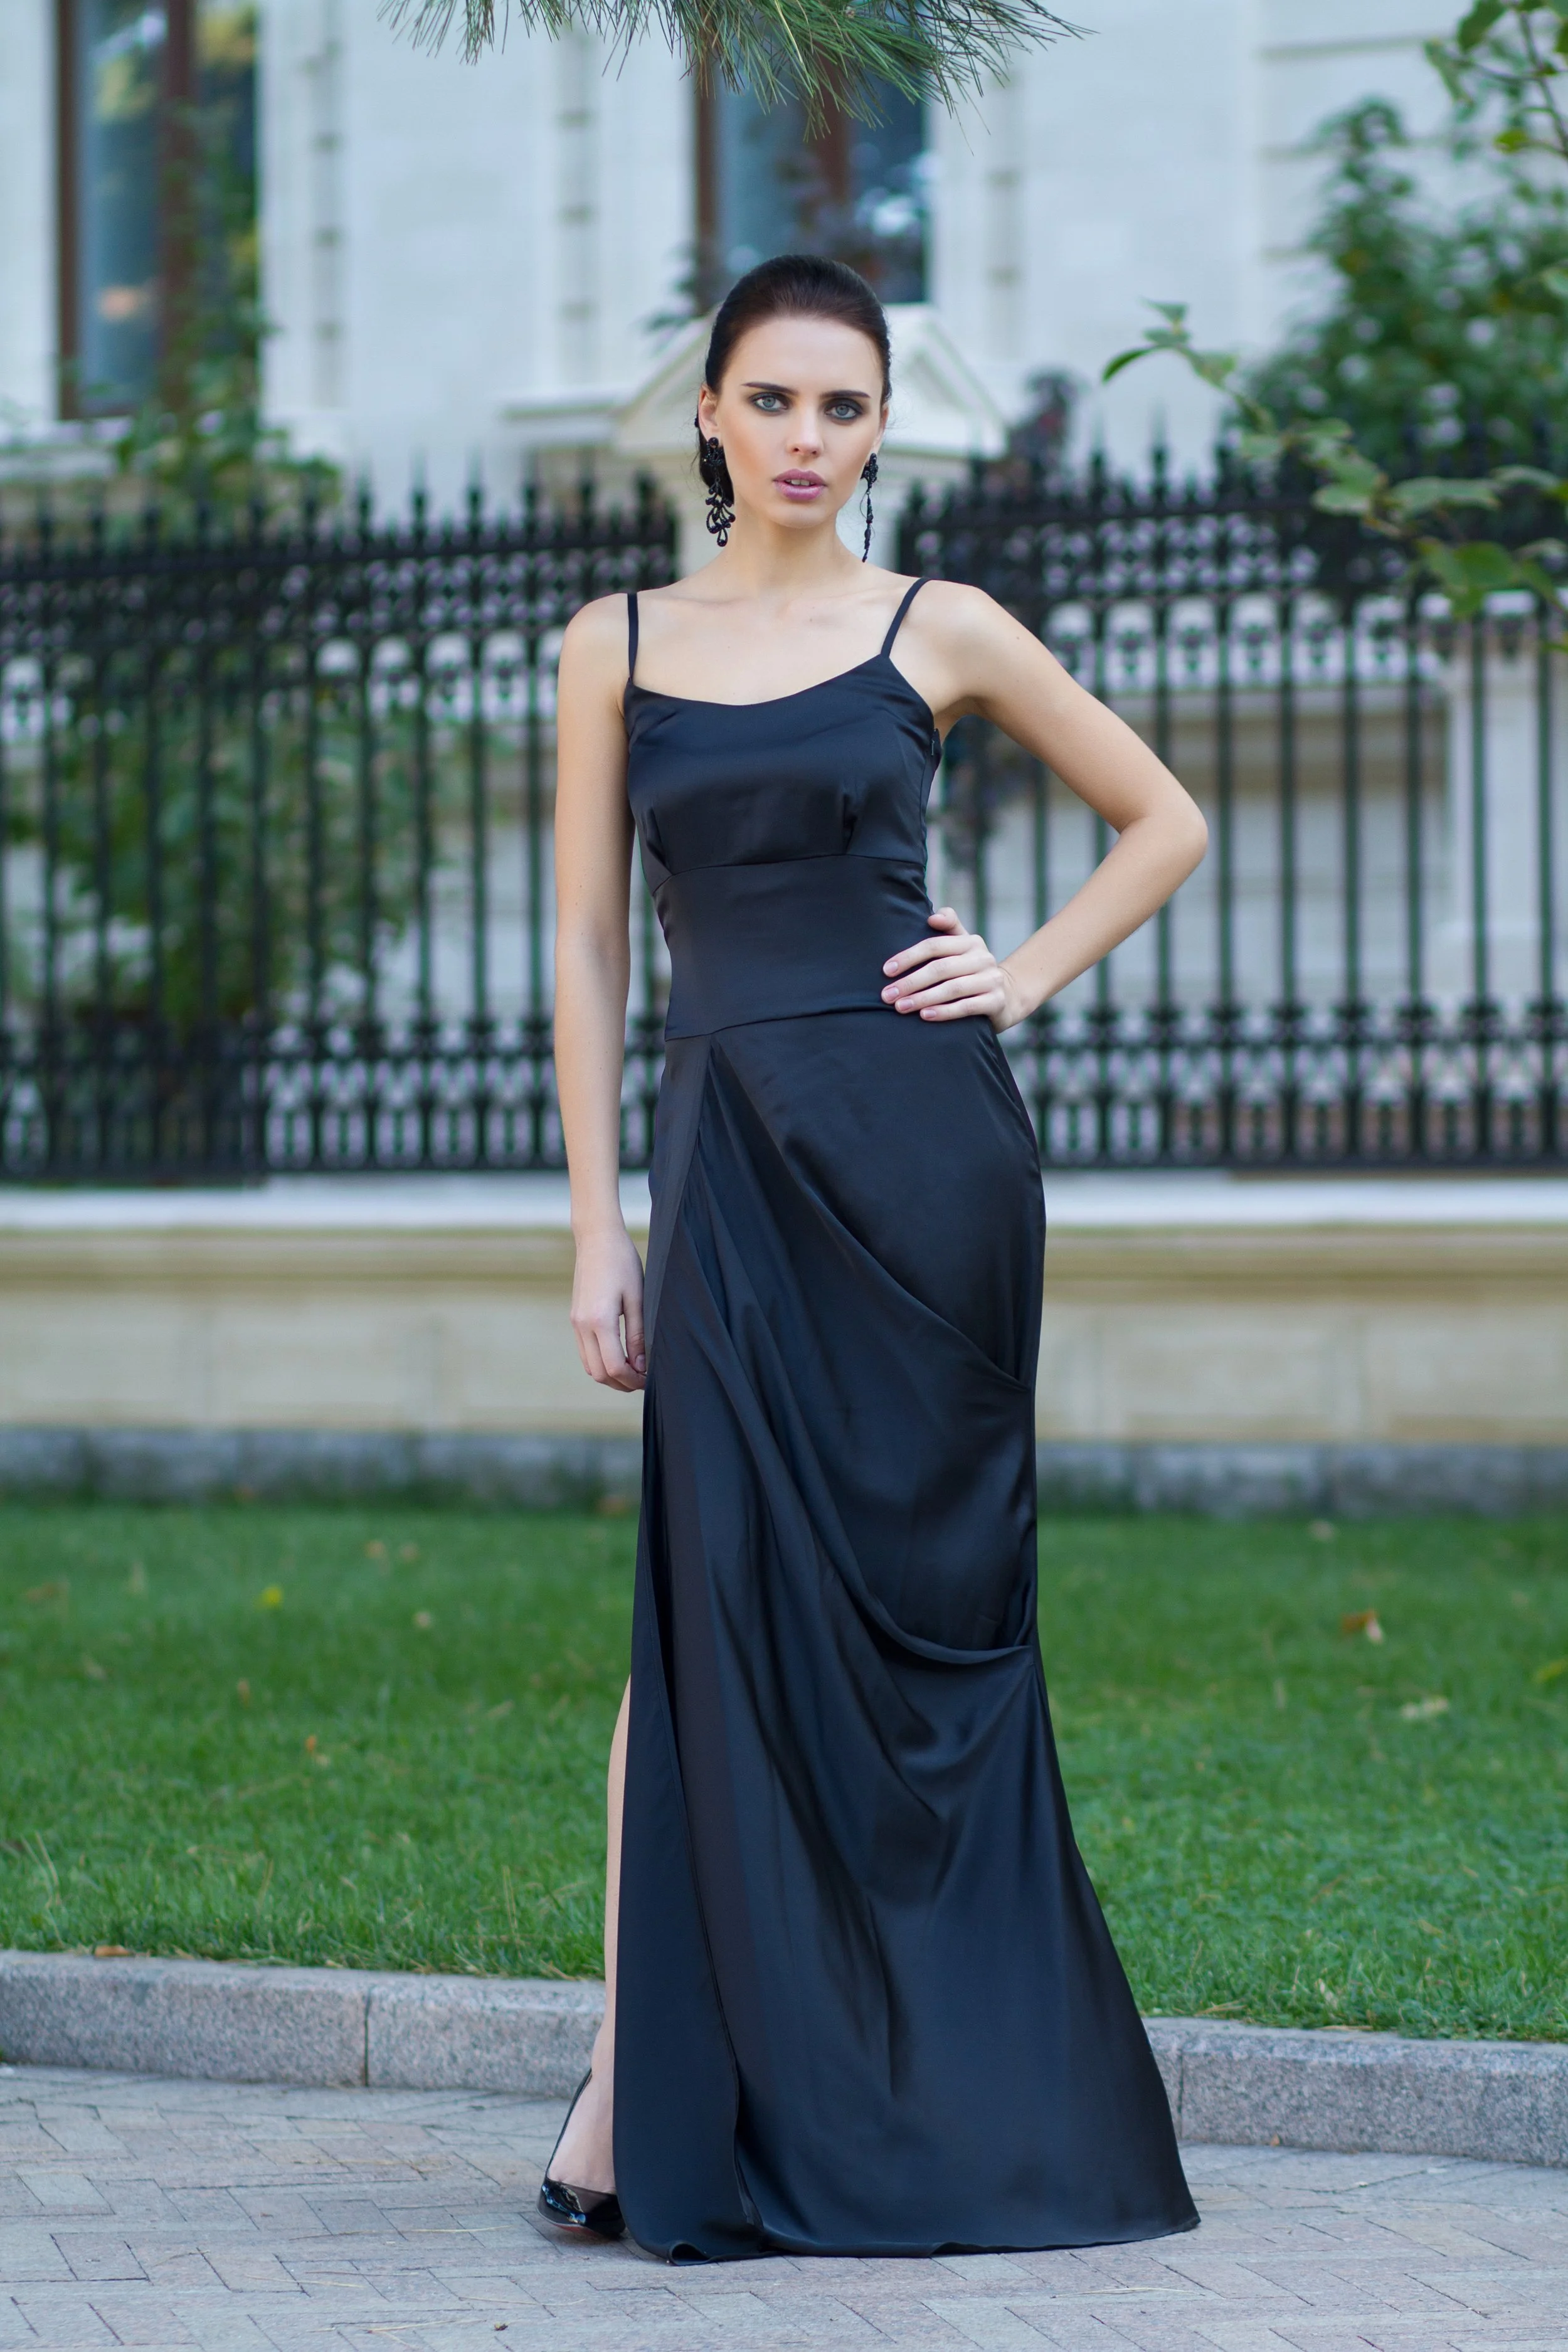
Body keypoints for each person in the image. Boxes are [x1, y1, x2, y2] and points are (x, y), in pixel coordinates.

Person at [544, 253, 1207, 2263]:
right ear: (711, 418)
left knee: (932, 1639)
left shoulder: (942, 626)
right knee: (700, 1615)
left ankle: (960, 2100)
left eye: (846, 408)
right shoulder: (614, 643)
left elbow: (1159, 818)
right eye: (777, 402)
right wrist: (597, 1223)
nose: (812, 441)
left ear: (876, 427)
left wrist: (1017, 968)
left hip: (924, 1171)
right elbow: (585, 948)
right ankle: (620, 2089)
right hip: (728, 1167)